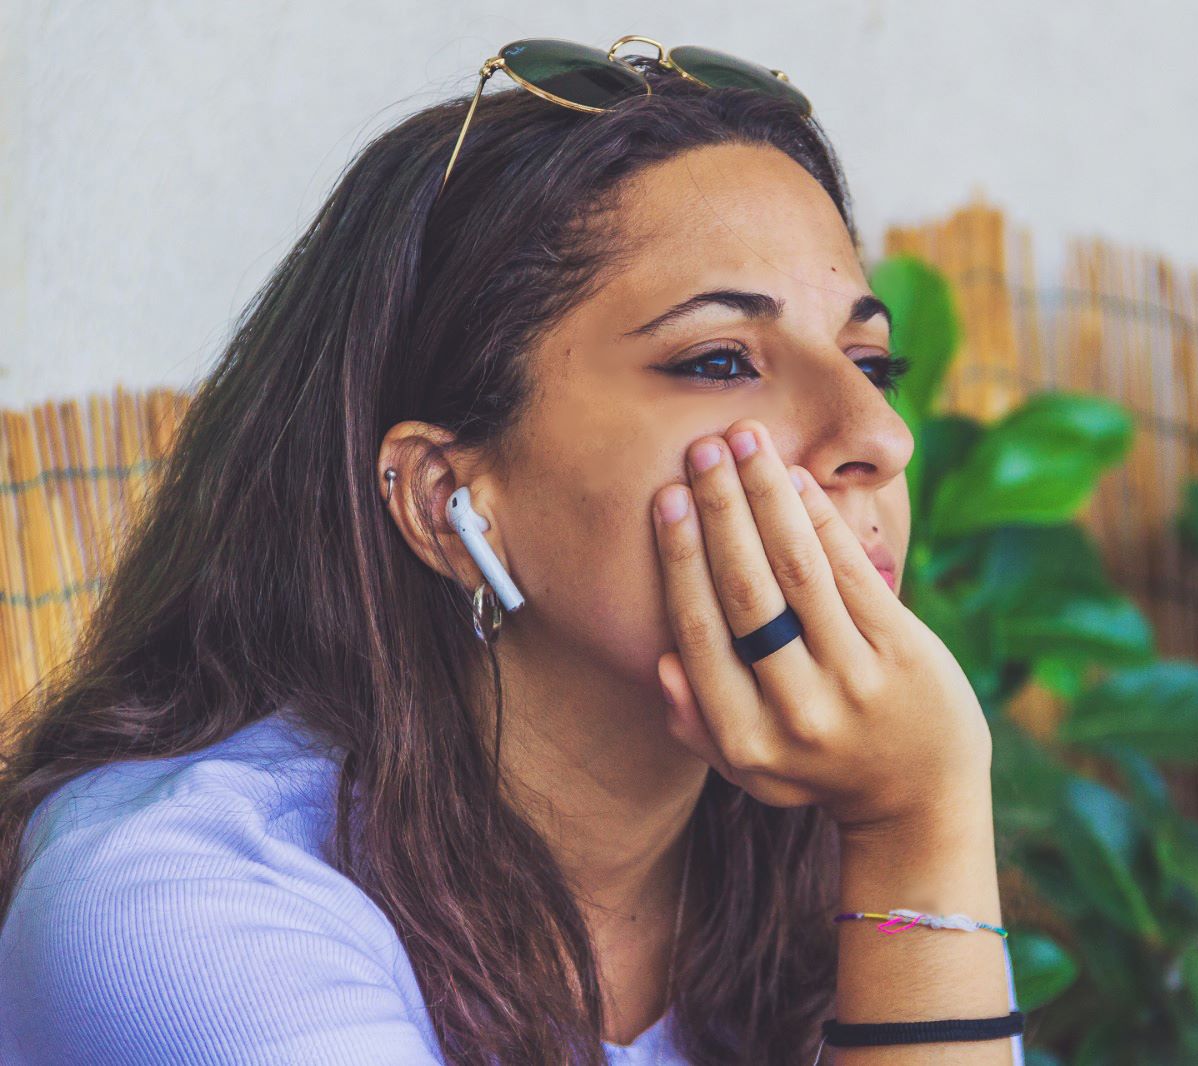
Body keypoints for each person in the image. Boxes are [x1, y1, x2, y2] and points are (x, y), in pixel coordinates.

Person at [0, 36, 1022, 1065]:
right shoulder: (174, 907)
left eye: (871, 362)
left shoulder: (787, 850)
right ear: (449, 502)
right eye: (720, 360)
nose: (878, 436)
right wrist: (913, 832)